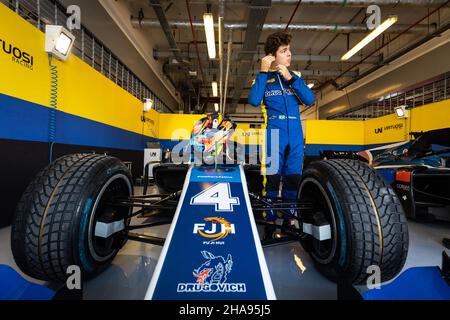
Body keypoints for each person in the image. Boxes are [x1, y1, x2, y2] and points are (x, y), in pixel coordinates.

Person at [248, 31, 315, 239]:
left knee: (293, 180)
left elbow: (310, 99)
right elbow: (253, 100)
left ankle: (289, 218)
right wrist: (262, 72)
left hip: (296, 136)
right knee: (272, 179)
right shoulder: (263, 80)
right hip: (273, 136)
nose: (289, 54)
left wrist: (290, 78)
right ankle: (269, 218)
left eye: (289, 51)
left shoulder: (294, 78)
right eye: (284, 51)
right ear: (272, 55)